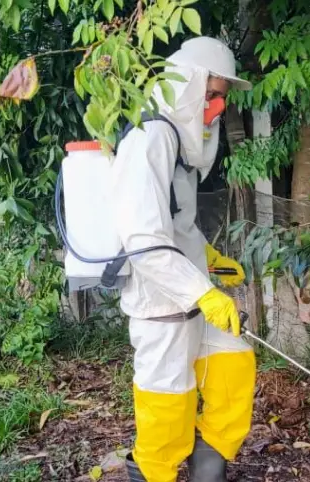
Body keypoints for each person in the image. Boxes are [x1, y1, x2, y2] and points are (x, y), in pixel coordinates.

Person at [110, 37, 256, 482]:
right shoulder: (150, 137)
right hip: (162, 306)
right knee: (168, 410)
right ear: (185, 86)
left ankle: (207, 474)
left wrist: (207, 257)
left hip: (194, 294)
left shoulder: (178, 143)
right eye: (210, 95)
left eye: (222, 98)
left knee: (234, 366)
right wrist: (202, 292)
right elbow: (143, 237)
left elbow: (177, 224)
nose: (217, 108)